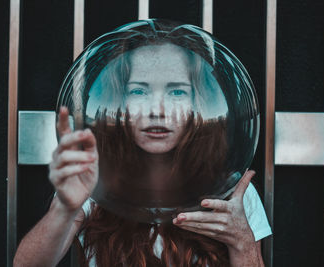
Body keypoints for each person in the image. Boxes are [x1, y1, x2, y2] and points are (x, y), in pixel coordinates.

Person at [14, 20, 271, 267]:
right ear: (119, 101)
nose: (157, 110)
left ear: (198, 103)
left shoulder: (231, 191)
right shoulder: (92, 179)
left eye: (176, 92)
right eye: (139, 91)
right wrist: (65, 208)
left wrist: (242, 241)